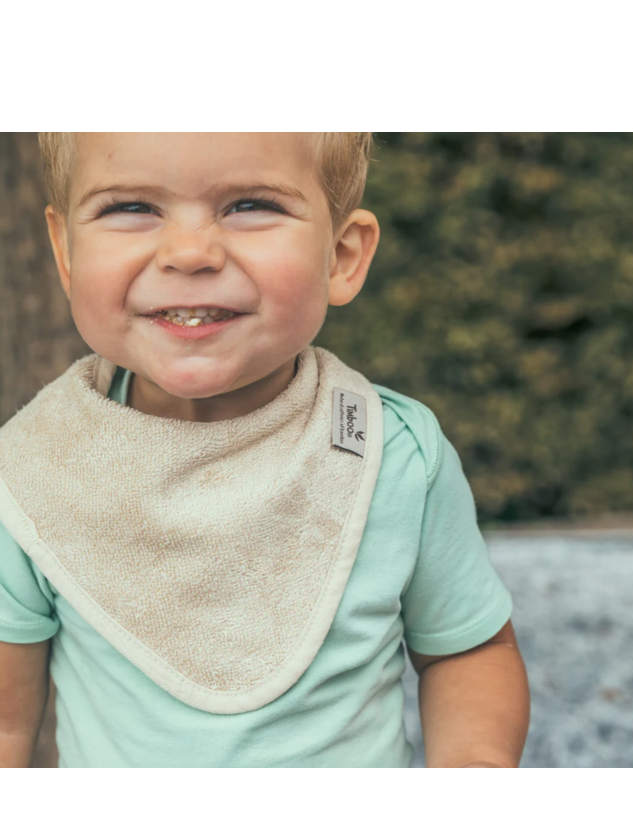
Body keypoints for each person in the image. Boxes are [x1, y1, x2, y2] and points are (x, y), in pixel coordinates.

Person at [0, 132, 530, 768]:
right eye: (131, 208)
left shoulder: (393, 458)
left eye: (250, 204)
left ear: (341, 255)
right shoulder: (31, 479)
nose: (189, 251)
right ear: (65, 252)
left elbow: (466, 652)